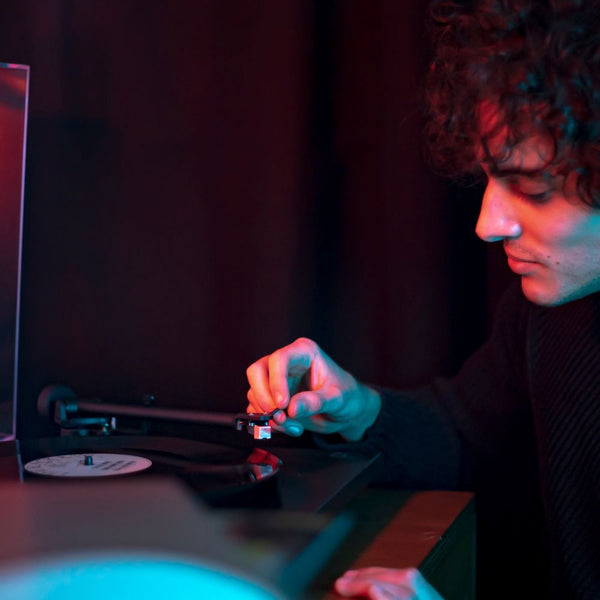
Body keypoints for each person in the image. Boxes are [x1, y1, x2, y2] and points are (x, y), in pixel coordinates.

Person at [246, 0, 600, 598]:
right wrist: (360, 410)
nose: (488, 225)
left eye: (533, 190)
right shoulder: (547, 313)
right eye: (490, 178)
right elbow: (470, 435)